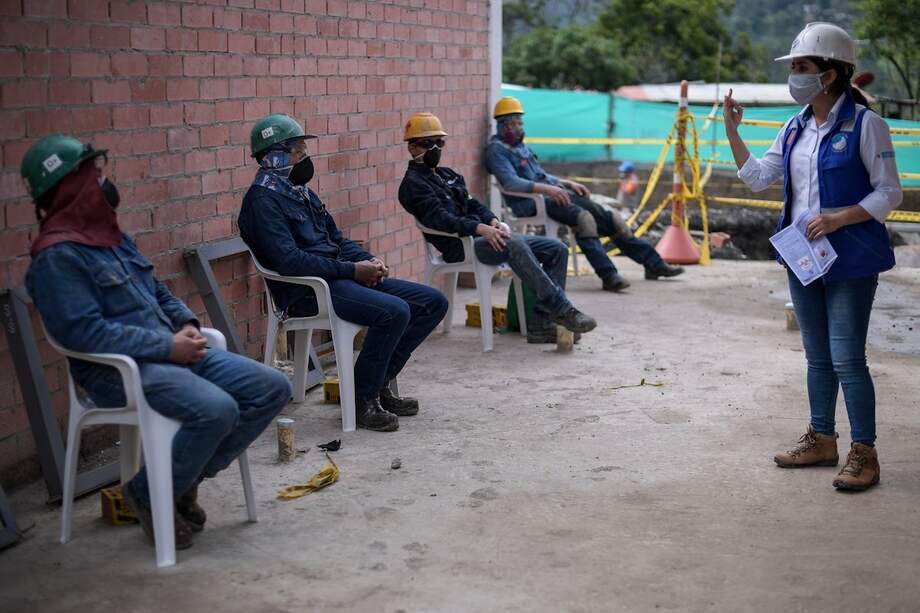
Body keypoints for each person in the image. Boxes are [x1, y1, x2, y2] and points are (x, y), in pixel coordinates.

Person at [21, 135, 293, 549]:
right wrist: (166, 346)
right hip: (120, 371)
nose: (104, 180)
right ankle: (150, 493)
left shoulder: (109, 235)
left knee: (271, 387)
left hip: (173, 350)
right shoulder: (57, 259)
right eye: (95, 175)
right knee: (216, 409)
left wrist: (185, 323)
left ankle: (176, 482)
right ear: (69, 187)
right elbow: (85, 334)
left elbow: (158, 290)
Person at [723, 22, 902, 491]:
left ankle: (865, 452)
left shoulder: (867, 125)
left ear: (830, 75)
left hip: (852, 258)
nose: (795, 75)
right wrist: (733, 131)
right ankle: (822, 439)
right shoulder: (794, 127)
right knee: (817, 358)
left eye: (802, 66)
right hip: (804, 258)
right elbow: (760, 178)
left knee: (846, 358)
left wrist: (841, 218)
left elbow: (890, 193)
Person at [238, 114, 448, 433]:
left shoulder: (300, 192)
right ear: (274, 156)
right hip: (308, 293)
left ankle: (375, 384)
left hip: (339, 279)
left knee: (433, 302)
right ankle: (362, 400)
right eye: (298, 151)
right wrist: (352, 270)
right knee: (394, 312)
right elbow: (290, 261)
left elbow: (336, 240)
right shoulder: (261, 202)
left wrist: (368, 261)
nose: (305, 158)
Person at [397, 112, 597, 344]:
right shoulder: (412, 185)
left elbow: (473, 204)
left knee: (556, 248)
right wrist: (480, 228)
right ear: (411, 148)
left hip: (484, 237)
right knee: (512, 243)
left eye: (439, 142)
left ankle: (541, 324)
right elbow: (442, 221)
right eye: (427, 143)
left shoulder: (448, 175)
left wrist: (492, 220)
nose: (435, 148)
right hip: (460, 247)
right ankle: (562, 309)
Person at [485, 97, 684, 291]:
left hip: (552, 196)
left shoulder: (520, 147)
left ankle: (654, 264)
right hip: (530, 203)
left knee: (612, 219)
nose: (519, 126)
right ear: (503, 125)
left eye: (520, 121)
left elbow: (541, 176)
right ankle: (608, 275)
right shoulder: (496, 151)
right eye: (515, 122)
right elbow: (511, 182)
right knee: (584, 219)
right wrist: (548, 189)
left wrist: (567, 184)